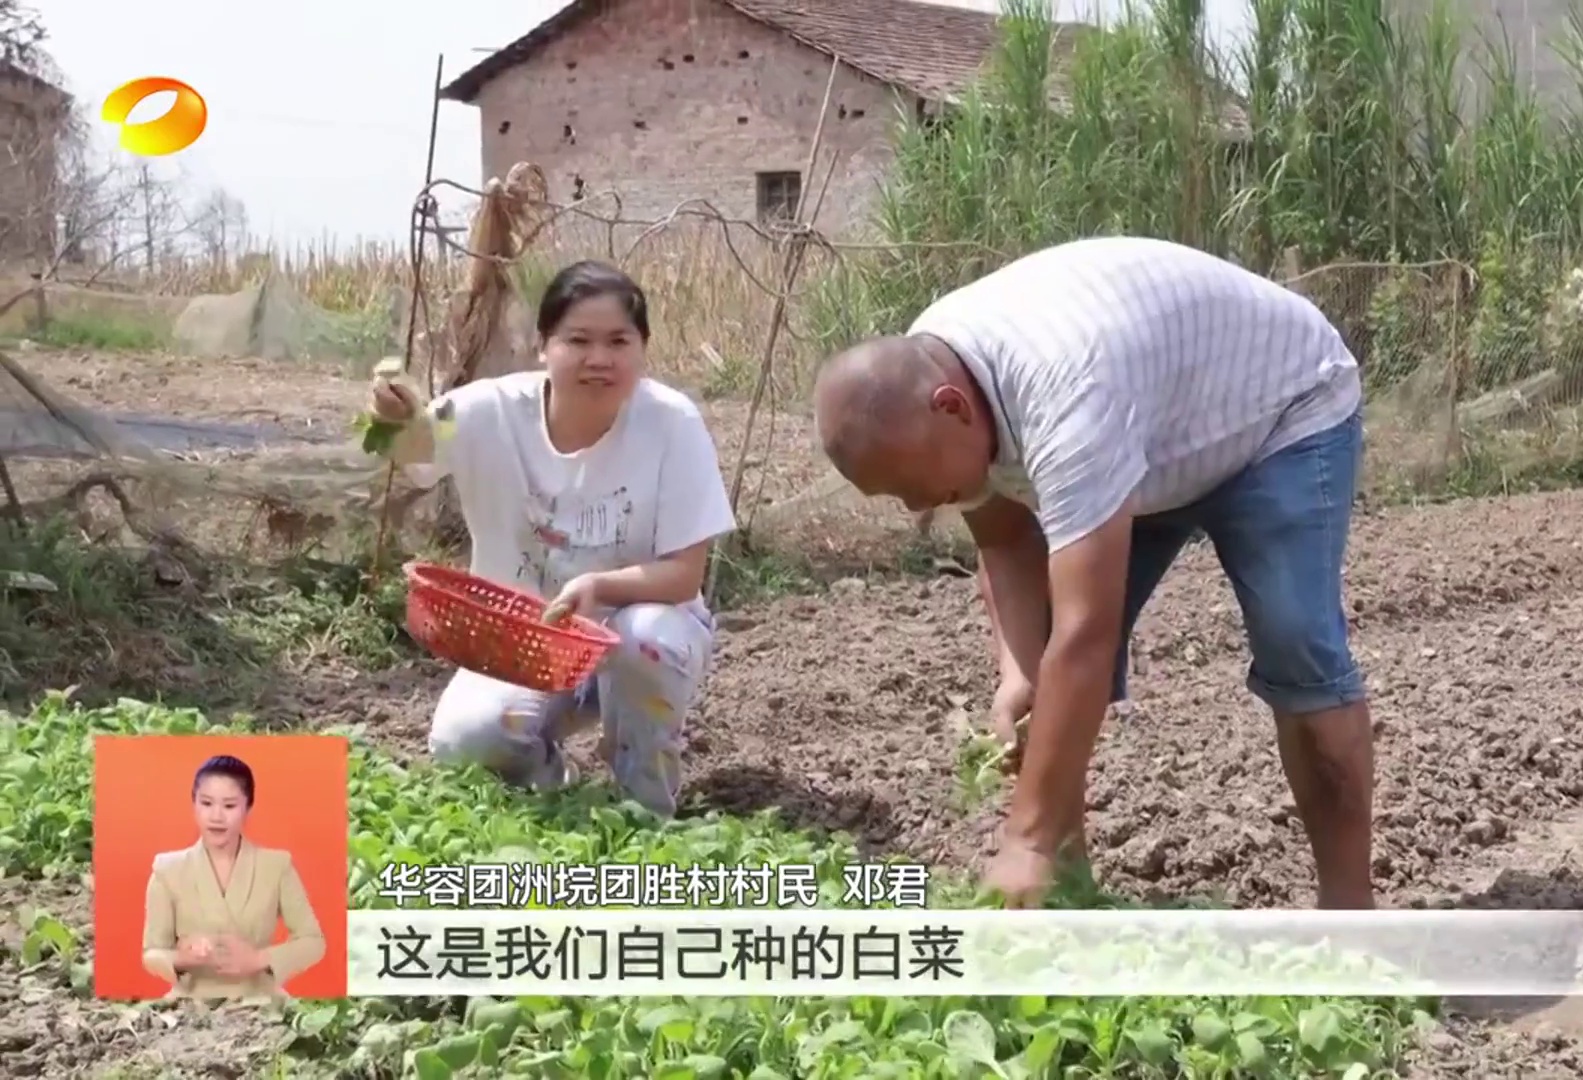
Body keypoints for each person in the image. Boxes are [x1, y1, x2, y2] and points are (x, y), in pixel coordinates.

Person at [812, 236, 1373, 910]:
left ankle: (1352, 921)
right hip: (1151, 429)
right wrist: (1019, 673)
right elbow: (1003, 534)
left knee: (1295, 639)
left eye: (912, 485)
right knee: (1044, 678)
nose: (918, 507)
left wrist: (1024, 839)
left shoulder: (1066, 392)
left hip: (1279, 411)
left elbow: (1085, 635)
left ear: (951, 406)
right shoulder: (930, 377)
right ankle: (1066, 901)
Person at [367, 259, 736, 818]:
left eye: (619, 341)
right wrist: (394, 412)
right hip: (527, 642)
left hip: (636, 637)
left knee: (646, 637)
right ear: (544, 345)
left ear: (643, 348)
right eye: (578, 340)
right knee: (465, 740)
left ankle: (645, 804)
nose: (599, 358)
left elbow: (685, 574)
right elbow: (415, 444)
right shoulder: (486, 411)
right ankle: (556, 788)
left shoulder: (672, 423)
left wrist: (599, 587)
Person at [141, 755, 326, 999]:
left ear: (248, 807)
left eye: (229, 806)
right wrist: (183, 958)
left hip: (261, 1001)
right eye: (206, 803)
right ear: (193, 804)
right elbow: (152, 952)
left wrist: (257, 959)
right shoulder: (167, 870)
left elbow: (313, 941)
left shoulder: (276, 866)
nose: (216, 816)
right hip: (189, 1004)